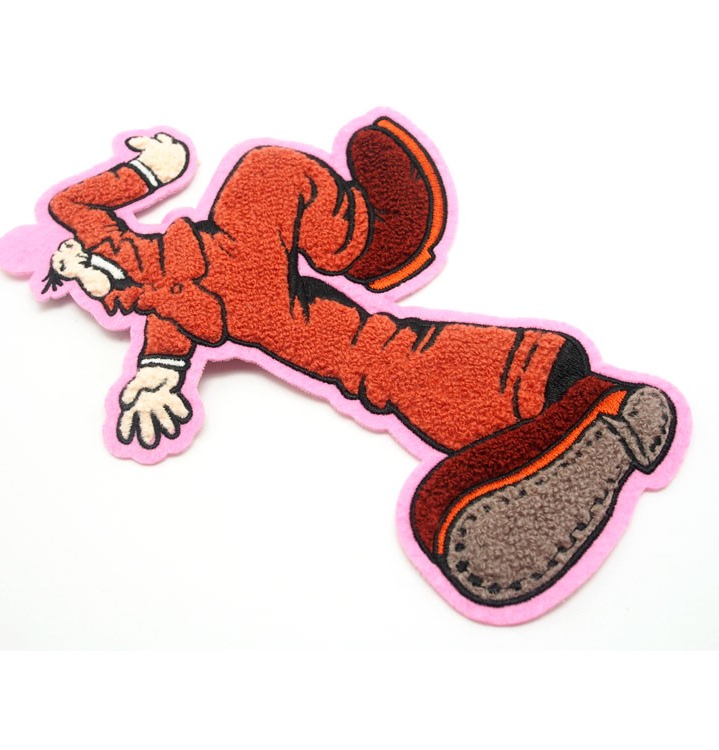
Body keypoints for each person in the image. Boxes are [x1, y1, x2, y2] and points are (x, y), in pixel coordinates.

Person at [43, 116, 677, 608]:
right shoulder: (171, 305)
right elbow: (161, 306)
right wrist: (156, 376)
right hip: (326, 337)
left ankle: (377, 241)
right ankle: (571, 416)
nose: (80, 275)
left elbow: (75, 208)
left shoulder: (180, 264)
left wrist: (150, 172)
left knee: (271, 182)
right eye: (70, 275)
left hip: (284, 290)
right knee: (388, 368)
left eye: (78, 262)